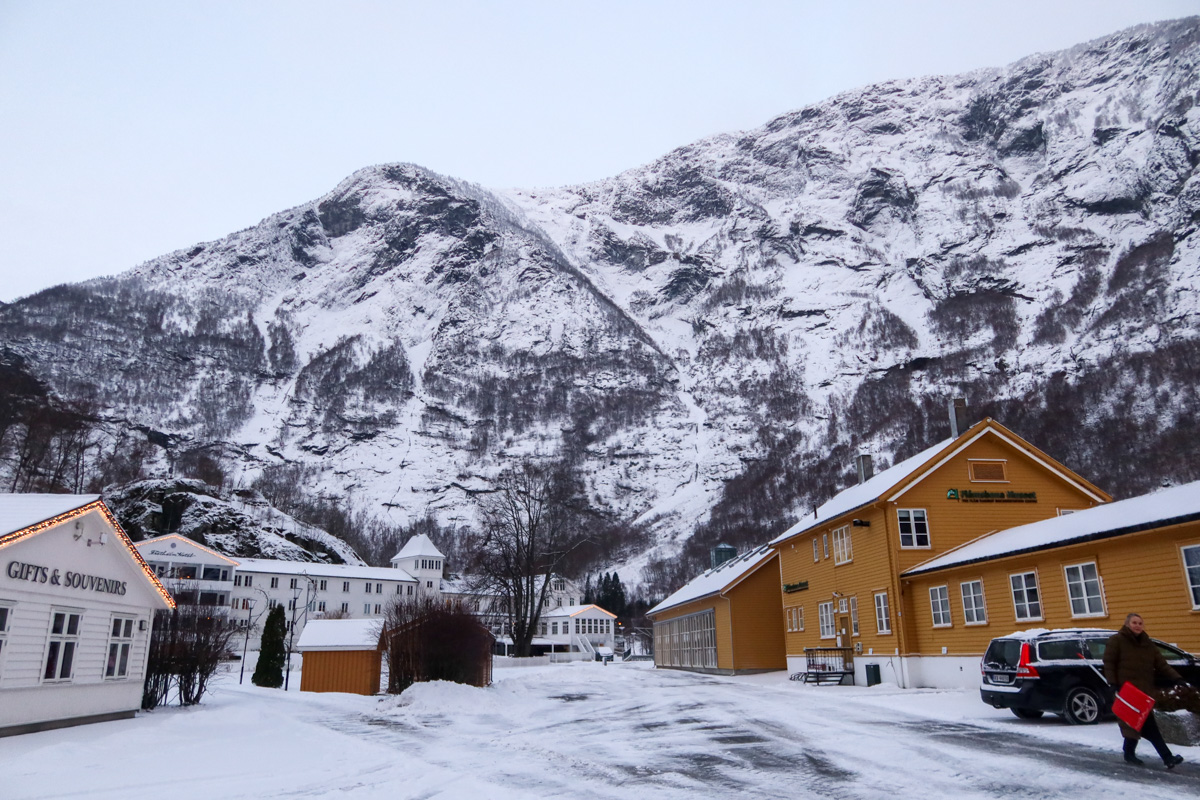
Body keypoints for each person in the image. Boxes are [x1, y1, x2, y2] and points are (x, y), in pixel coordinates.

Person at [1103, 613, 1185, 769]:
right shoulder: (1117, 641)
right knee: (1141, 724)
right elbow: (1109, 663)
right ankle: (1167, 757)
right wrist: (1113, 683)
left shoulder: (1148, 644)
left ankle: (1129, 753)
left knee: (1138, 724)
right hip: (1127, 692)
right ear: (1127, 624)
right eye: (1134, 622)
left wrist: (1177, 678)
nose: (1137, 625)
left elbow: (1162, 664)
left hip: (1144, 692)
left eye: (1140, 623)